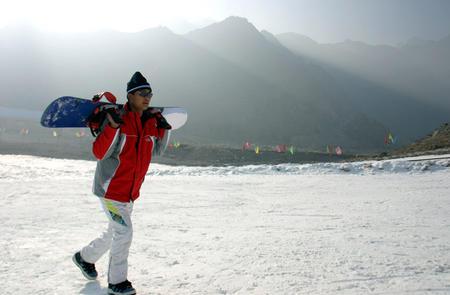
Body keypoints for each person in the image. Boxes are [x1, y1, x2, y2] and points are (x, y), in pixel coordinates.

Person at [72, 72, 171, 295]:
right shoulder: (118, 118)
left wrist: (164, 129)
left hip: (129, 192)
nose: (147, 97)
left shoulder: (148, 122)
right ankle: (117, 283)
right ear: (130, 96)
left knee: (114, 231)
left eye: (150, 93)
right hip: (110, 189)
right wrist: (113, 128)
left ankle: (84, 257)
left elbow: (157, 151)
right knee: (124, 232)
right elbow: (99, 152)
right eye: (142, 93)